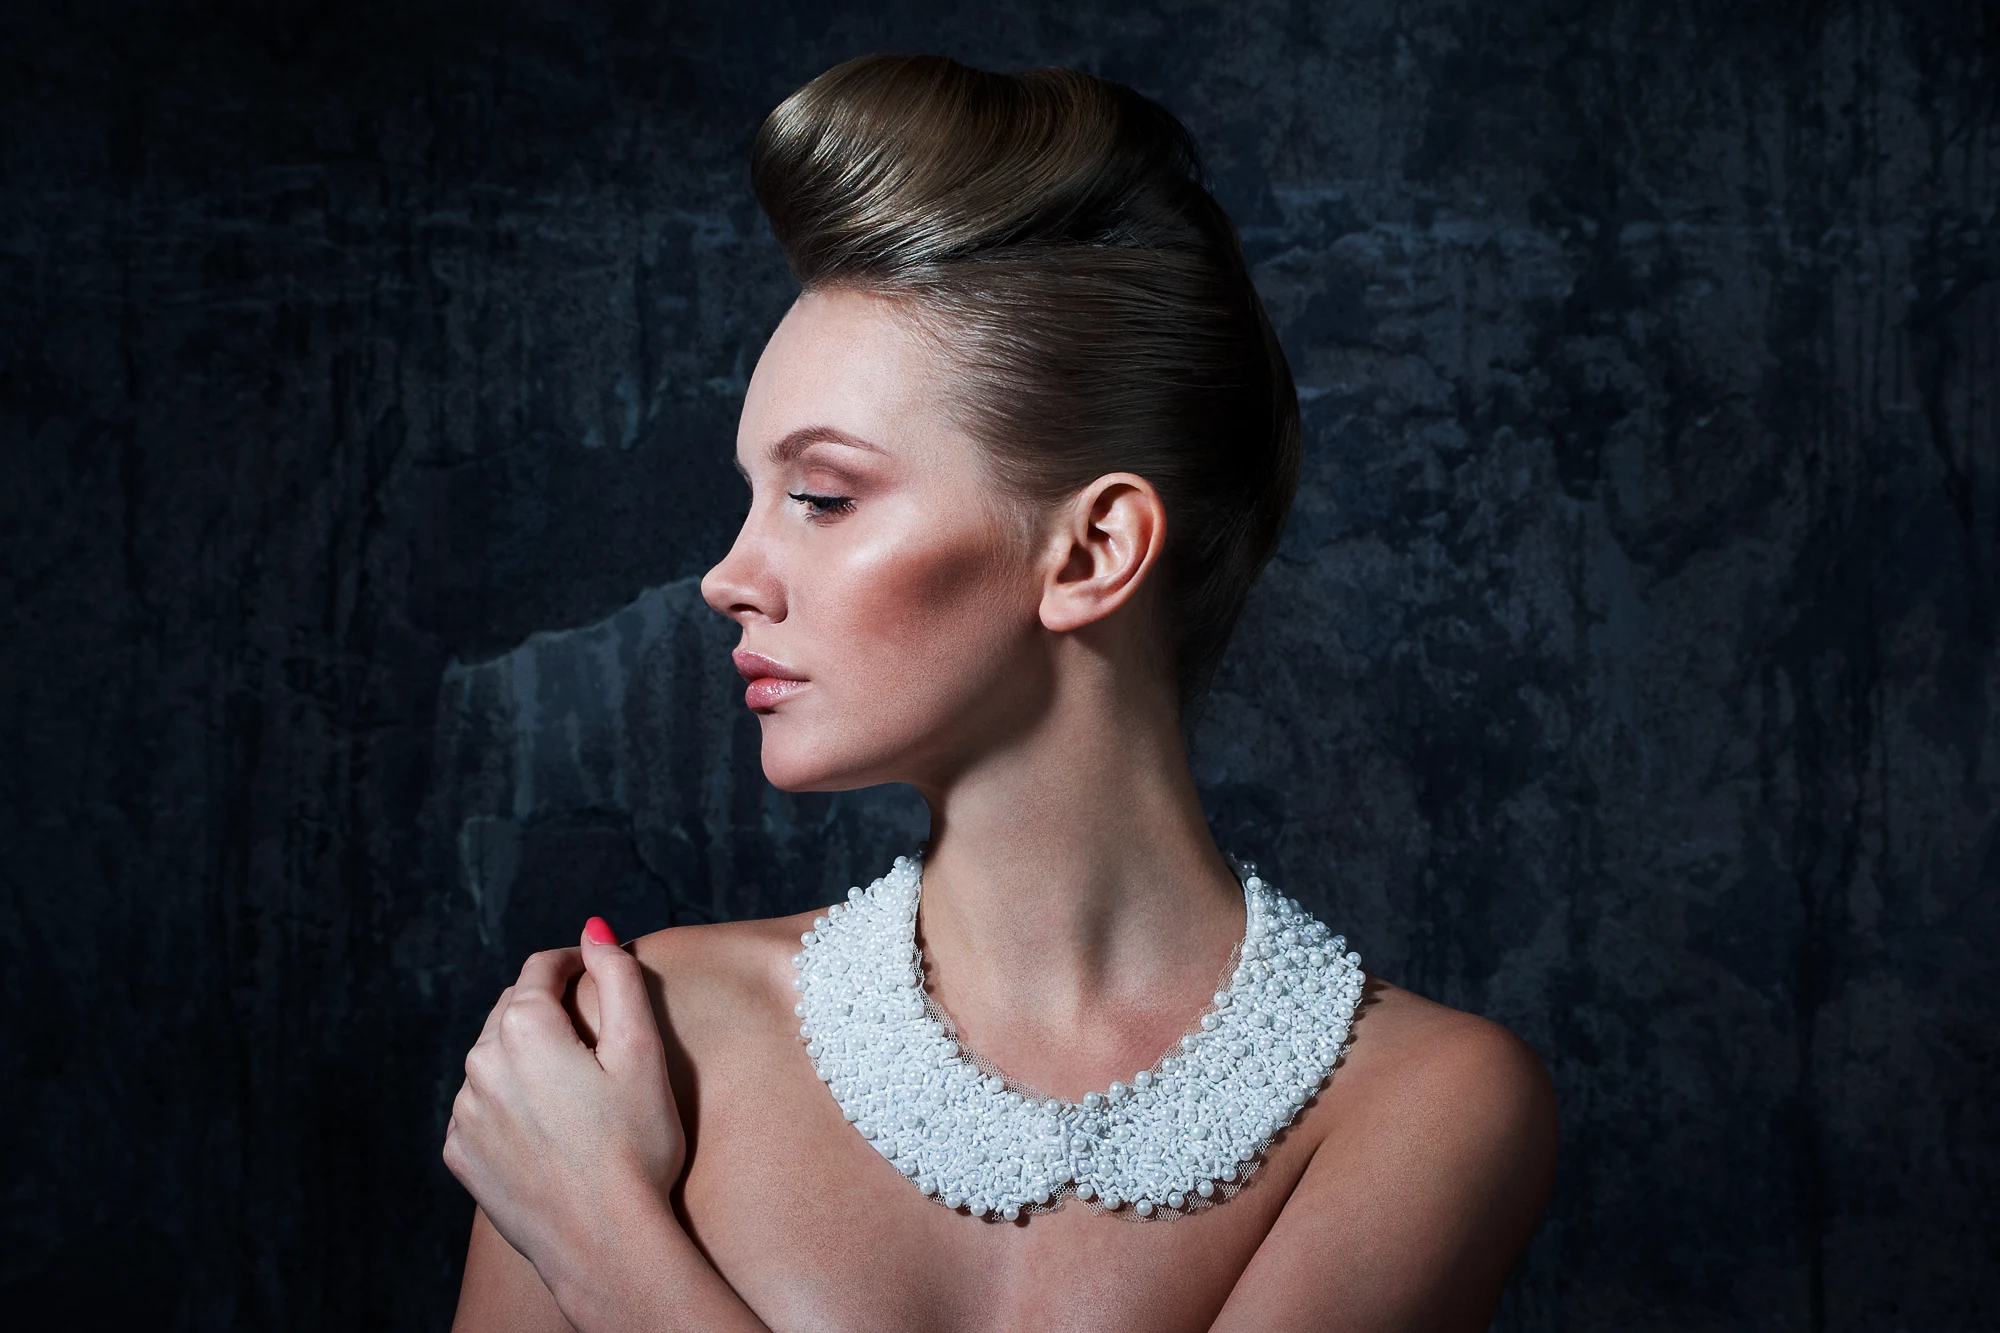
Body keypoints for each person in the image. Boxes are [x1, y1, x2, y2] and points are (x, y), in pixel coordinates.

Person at [442, 53, 1557, 1333]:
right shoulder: (629, 1037)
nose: (726, 577)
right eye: (753, 497)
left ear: (1088, 553)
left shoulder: (1423, 1103)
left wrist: (602, 1240)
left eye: (819, 496)